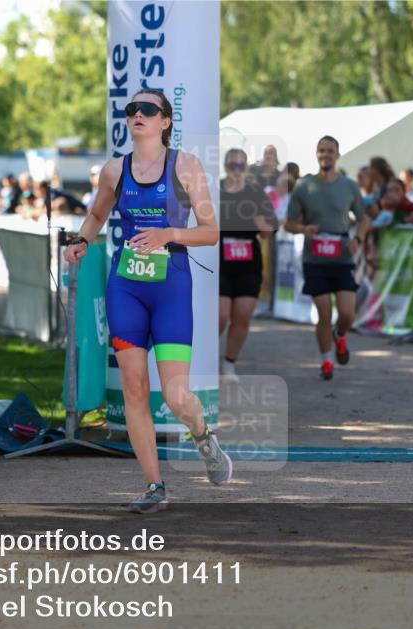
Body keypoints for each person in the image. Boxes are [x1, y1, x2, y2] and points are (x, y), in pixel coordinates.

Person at [63, 88, 228, 514]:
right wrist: (82, 239)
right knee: (135, 389)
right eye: (132, 109)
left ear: (165, 121)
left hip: (171, 285)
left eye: (148, 109)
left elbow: (210, 231)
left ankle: (202, 433)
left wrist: (169, 234)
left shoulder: (186, 166)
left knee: (175, 396)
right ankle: (155, 485)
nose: (138, 114)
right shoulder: (114, 171)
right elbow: (98, 214)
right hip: (127, 286)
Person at [284, 135, 367, 381]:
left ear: (338, 154)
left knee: (347, 313)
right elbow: (288, 223)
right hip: (315, 258)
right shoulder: (304, 187)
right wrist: (303, 230)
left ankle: (340, 335)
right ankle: (327, 360)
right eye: (321, 151)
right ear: (316, 154)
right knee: (323, 312)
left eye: (330, 151)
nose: (325, 155)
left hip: (341, 257)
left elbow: (363, 218)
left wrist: (358, 239)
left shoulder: (349, 186)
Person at [217, 148, 277, 384]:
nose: (237, 170)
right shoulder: (216, 190)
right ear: (225, 166)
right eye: (233, 165)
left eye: (242, 166)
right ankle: (205, 359)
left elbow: (269, 231)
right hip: (220, 261)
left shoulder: (255, 192)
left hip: (248, 263)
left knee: (242, 316)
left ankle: (229, 363)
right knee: (220, 316)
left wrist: (261, 222)